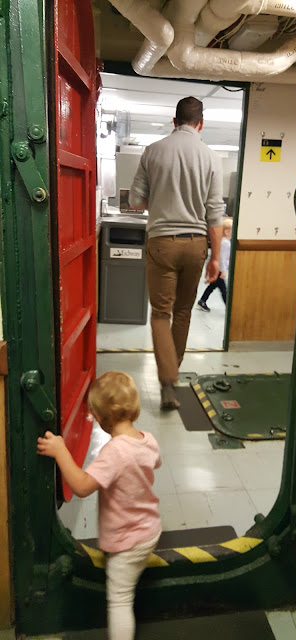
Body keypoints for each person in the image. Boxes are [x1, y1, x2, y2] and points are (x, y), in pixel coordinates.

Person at [37, 371, 162, 640]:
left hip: (127, 542)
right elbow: (155, 462)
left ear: (103, 421)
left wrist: (60, 451)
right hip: (150, 530)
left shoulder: (114, 452)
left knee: (119, 599)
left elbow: (82, 486)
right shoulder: (148, 440)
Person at [129, 96, 224, 410]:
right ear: (200, 124)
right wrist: (215, 259)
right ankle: (174, 376)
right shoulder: (211, 157)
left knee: (160, 313)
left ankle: (166, 380)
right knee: (183, 313)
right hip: (197, 243)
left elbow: (136, 202)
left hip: (162, 242)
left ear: (174, 121)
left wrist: (162, 192)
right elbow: (215, 213)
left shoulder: (153, 151)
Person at [197, 217, 233, 312]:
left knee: (212, 286)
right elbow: (222, 258)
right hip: (220, 270)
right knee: (223, 290)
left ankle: (202, 301)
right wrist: (223, 270)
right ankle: (229, 308)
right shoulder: (226, 243)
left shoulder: (223, 242)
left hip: (219, 270)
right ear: (226, 232)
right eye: (231, 231)